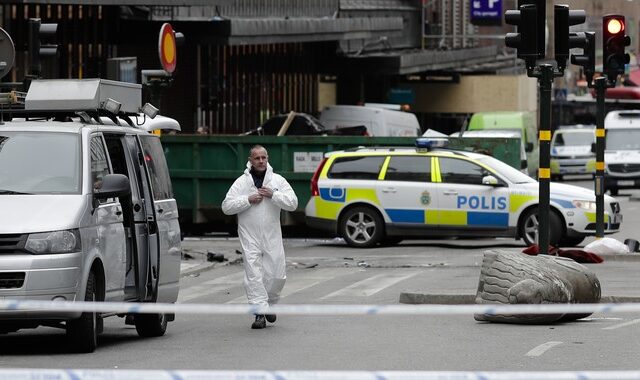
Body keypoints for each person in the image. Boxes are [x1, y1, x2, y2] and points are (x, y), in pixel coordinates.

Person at [222, 145, 298, 329]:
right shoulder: (242, 183)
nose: (261, 161)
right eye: (257, 158)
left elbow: (293, 203)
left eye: (263, 157)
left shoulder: (277, 181)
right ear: (250, 160)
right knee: (254, 274)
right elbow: (226, 206)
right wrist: (247, 200)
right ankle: (260, 313)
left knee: (277, 275)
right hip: (250, 236)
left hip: (272, 235)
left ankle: (269, 305)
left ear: (268, 158)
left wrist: (274, 195)